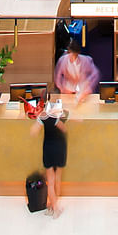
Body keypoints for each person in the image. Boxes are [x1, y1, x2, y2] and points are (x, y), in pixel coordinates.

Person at [31, 89, 68, 217]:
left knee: (50, 181)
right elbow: (64, 129)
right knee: (57, 179)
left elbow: (33, 132)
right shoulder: (56, 116)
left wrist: (40, 117)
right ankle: (55, 207)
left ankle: (52, 207)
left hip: (48, 148)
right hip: (60, 148)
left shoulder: (43, 115)